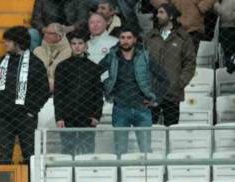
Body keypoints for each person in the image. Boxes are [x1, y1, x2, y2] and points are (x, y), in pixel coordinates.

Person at [99, 27, 169, 155]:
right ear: (119, 39)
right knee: (120, 150)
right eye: (122, 37)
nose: (125, 41)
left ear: (135, 40)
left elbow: (164, 79)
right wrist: (105, 88)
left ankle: (147, 175)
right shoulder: (112, 56)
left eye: (129, 38)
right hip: (120, 108)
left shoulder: (145, 57)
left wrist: (156, 99)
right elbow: (94, 73)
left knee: (146, 150)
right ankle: (121, 175)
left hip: (142, 107)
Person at [0, 26, 50, 164]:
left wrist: (32, 110)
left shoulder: (35, 63)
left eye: (8, 41)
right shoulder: (1, 61)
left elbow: (44, 90)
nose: (5, 44)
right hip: (4, 117)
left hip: (25, 117)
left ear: (18, 42)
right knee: (4, 156)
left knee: (29, 154)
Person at [54, 29, 104, 155]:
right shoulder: (62, 67)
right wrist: (59, 117)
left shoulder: (93, 68)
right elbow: (58, 94)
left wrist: (97, 115)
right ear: (70, 45)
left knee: (87, 152)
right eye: (74, 43)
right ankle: (69, 175)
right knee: (67, 151)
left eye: (80, 43)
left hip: (87, 116)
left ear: (86, 45)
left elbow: (98, 93)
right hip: (67, 116)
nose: (77, 47)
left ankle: (86, 175)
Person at [146, 3, 196, 126]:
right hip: (152, 93)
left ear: (171, 16)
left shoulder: (183, 38)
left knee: (171, 130)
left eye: (161, 12)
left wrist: (180, 83)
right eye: (157, 12)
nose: (157, 15)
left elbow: (190, 63)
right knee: (150, 131)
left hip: (172, 93)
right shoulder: (150, 37)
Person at [33, 23, 72, 92]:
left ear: (59, 36)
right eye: (45, 32)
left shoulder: (68, 52)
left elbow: (59, 74)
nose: (45, 35)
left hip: (60, 89)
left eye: (50, 33)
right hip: (38, 88)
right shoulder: (38, 51)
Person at [215, 0, 235, 73]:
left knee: (228, 53)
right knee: (228, 53)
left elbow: (226, 14)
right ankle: (230, 66)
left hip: (226, 28)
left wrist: (216, 6)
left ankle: (230, 66)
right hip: (226, 28)